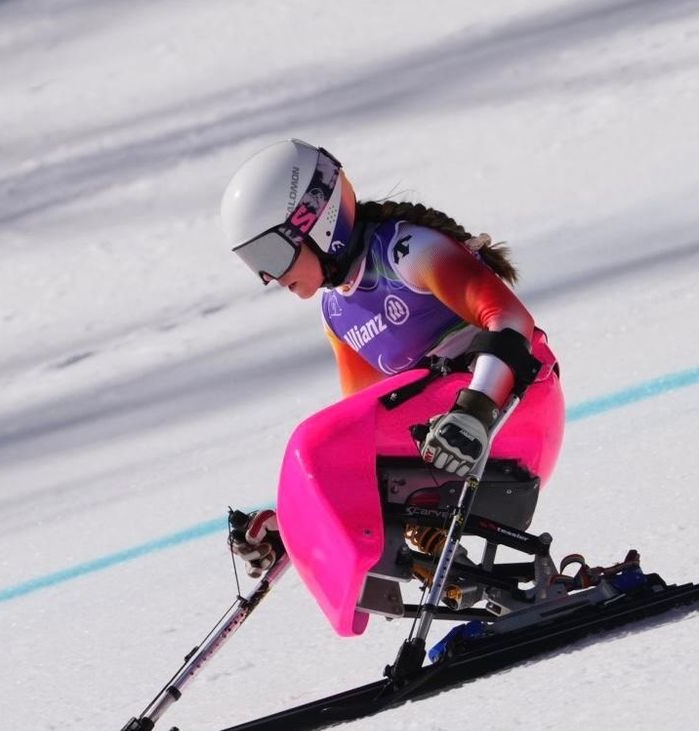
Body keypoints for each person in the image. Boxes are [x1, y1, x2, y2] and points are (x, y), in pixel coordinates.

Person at [220, 139, 564, 636]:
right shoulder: (337, 312)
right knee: (329, 449)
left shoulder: (405, 250)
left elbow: (510, 319)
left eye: (270, 251)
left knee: (312, 442)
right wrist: (298, 523)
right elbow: (360, 429)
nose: (270, 276)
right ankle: (470, 586)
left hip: (512, 413)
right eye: (254, 263)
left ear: (316, 221)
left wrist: (476, 410)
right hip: (447, 441)